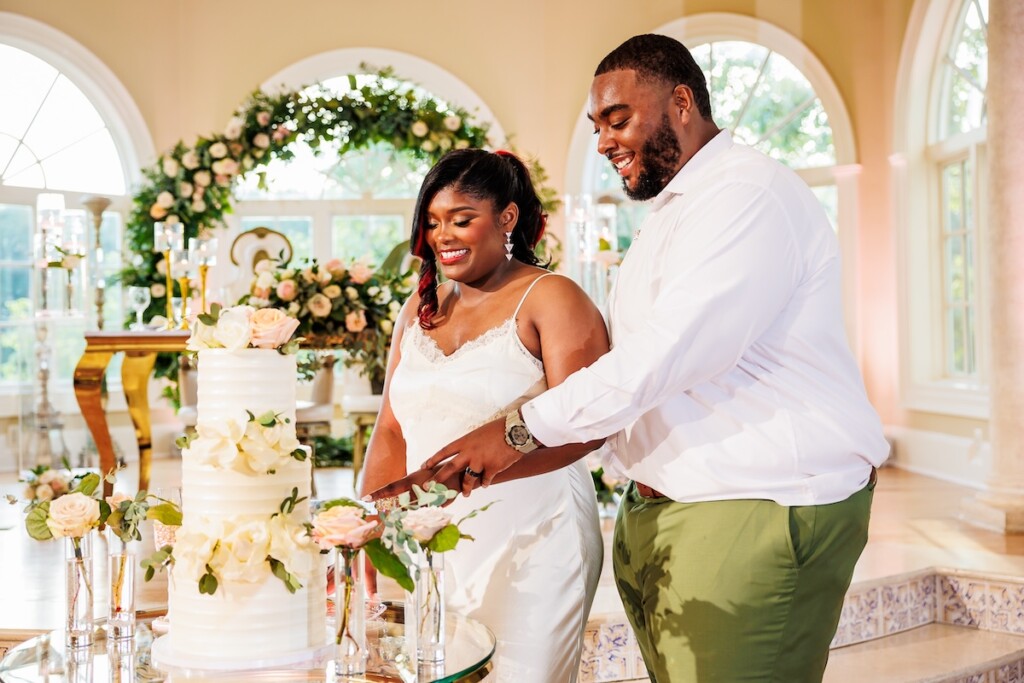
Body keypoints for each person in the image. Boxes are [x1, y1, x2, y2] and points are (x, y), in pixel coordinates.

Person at [374, 34, 890, 682]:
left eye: (617, 119)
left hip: (753, 504)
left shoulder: (745, 195)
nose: (604, 142)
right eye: (596, 128)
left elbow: (657, 357)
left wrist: (513, 428)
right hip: (670, 509)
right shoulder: (676, 209)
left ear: (680, 102)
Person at [360, 148, 610, 682]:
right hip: (434, 539)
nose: (442, 235)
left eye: (461, 219)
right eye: (431, 222)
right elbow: (390, 428)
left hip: (536, 534)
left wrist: (470, 477)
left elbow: (589, 427)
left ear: (507, 218)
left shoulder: (552, 298)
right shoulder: (419, 308)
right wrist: (371, 524)